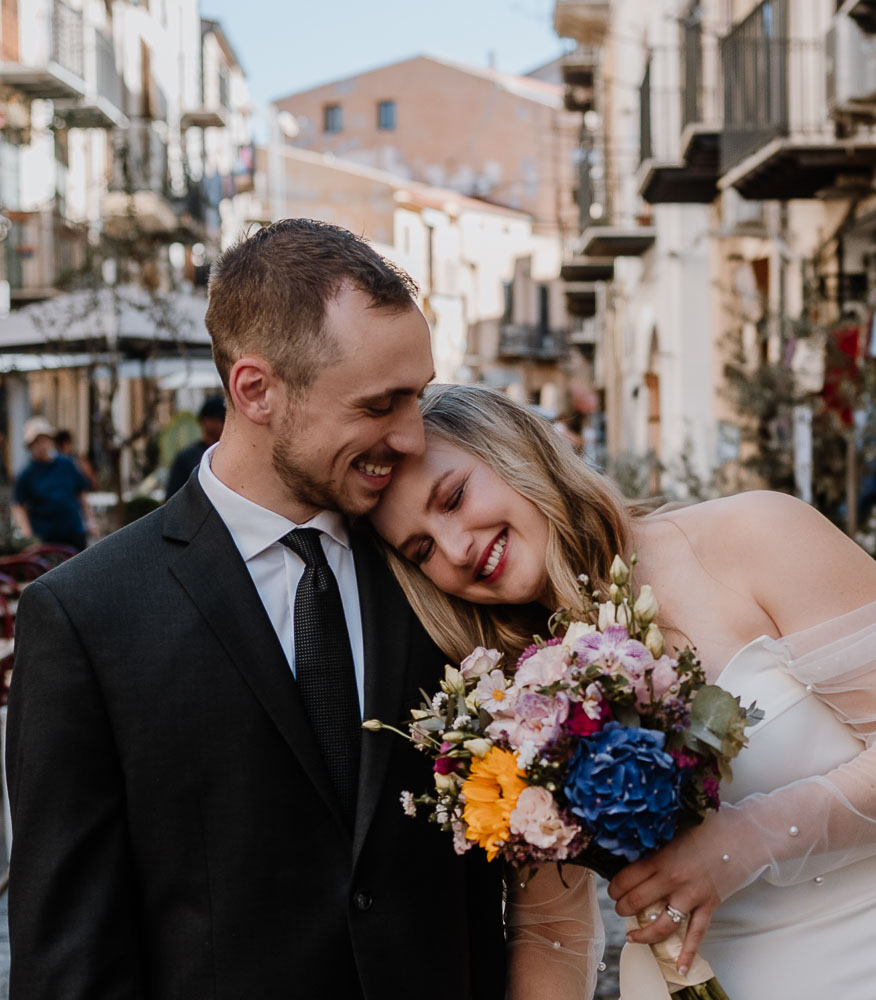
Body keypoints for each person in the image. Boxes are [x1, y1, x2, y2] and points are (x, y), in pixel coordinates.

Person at [6, 221, 506, 1000]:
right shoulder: (85, 616)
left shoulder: (437, 565)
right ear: (256, 390)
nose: (410, 436)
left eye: (417, 396)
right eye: (380, 405)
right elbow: (68, 948)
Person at [370, 382, 876, 1000]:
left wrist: (743, 843)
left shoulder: (756, 535)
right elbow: (552, 931)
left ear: (518, 452)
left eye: (453, 498)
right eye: (421, 549)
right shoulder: (513, 695)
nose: (455, 549)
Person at [12, 416, 93, 552]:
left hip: (73, 531)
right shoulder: (26, 474)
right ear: (30, 446)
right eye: (36, 442)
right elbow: (19, 506)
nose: (41, 445)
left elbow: (81, 493)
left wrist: (90, 521)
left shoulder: (66, 464)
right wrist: (28, 536)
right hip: (46, 537)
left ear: (50, 441)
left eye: (44, 440)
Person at [165, 394, 227, 497]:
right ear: (206, 421)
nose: (225, 423)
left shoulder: (233, 454)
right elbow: (172, 497)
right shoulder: (186, 457)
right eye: (221, 419)